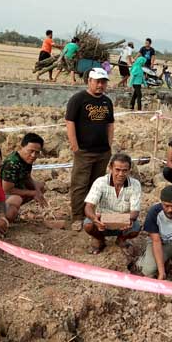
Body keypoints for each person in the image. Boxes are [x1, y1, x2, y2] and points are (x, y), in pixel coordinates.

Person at [66, 68, 115, 231]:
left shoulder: (107, 101)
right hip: (84, 151)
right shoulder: (78, 99)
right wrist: (75, 146)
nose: (101, 85)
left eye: (103, 82)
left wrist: (109, 144)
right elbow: (70, 122)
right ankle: (77, 216)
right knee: (80, 184)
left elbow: (110, 124)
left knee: (97, 184)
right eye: (98, 81)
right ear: (89, 81)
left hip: (102, 151)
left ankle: (92, 214)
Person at [83, 153, 142, 255]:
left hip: (122, 222)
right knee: (88, 224)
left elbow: (135, 212)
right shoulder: (100, 182)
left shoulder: (135, 184)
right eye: (117, 169)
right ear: (111, 167)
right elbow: (89, 206)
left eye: (124, 170)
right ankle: (100, 239)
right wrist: (95, 219)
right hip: (103, 221)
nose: (121, 174)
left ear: (129, 170)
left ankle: (121, 239)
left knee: (136, 227)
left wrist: (128, 219)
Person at [1, 133, 48, 221]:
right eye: (31, 151)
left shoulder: (26, 160)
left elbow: (27, 177)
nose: (33, 155)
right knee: (16, 200)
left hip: (16, 186)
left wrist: (38, 191)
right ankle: (5, 213)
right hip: (0, 194)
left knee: (40, 186)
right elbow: (7, 189)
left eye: (37, 152)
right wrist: (33, 193)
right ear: (21, 147)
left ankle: (13, 209)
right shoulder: (12, 163)